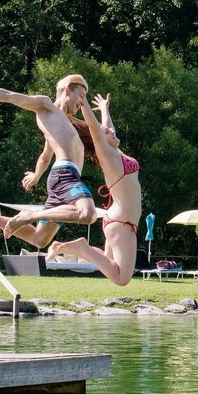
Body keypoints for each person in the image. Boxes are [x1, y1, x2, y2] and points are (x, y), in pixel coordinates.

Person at [0, 75, 97, 249]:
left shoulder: (62, 122)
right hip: (66, 176)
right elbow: (9, 96)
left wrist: (36, 176)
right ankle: (30, 215)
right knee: (87, 214)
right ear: (67, 90)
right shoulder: (46, 105)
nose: (83, 102)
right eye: (81, 95)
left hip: (64, 179)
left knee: (39, 239)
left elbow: (45, 156)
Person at [45, 93, 141, 286]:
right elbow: (95, 128)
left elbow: (107, 128)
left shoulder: (115, 152)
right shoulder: (107, 155)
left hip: (118, 220)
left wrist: (104, 108)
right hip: (122, 222)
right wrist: (84, 101)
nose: (112, 131)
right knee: (121, 278)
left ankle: (66, 247)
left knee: (107, 261)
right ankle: (82, 247)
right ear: (100, 139)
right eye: (107, 132)